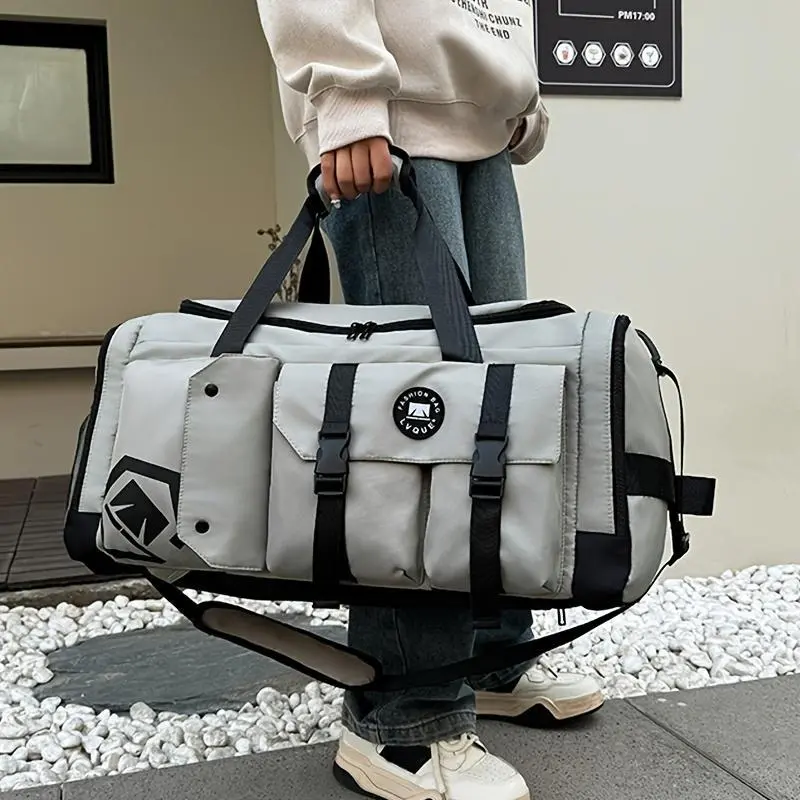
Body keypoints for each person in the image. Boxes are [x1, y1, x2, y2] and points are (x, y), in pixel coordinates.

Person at [257, 3, 604, 798]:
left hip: (482, 121)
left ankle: (491, 651)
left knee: (499, 411)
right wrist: (346, 93)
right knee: (418, 432)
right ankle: (400, 716)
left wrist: (519, 98)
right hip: (391, 115)